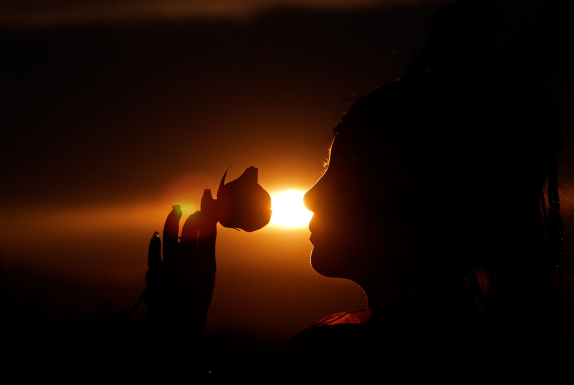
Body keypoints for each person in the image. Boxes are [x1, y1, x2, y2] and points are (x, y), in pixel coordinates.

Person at [143, 0, 568, 379]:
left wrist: (179, 333)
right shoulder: (498, 356)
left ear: (412, 203)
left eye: (345, 172)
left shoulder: (334, 367)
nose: (310, 197)